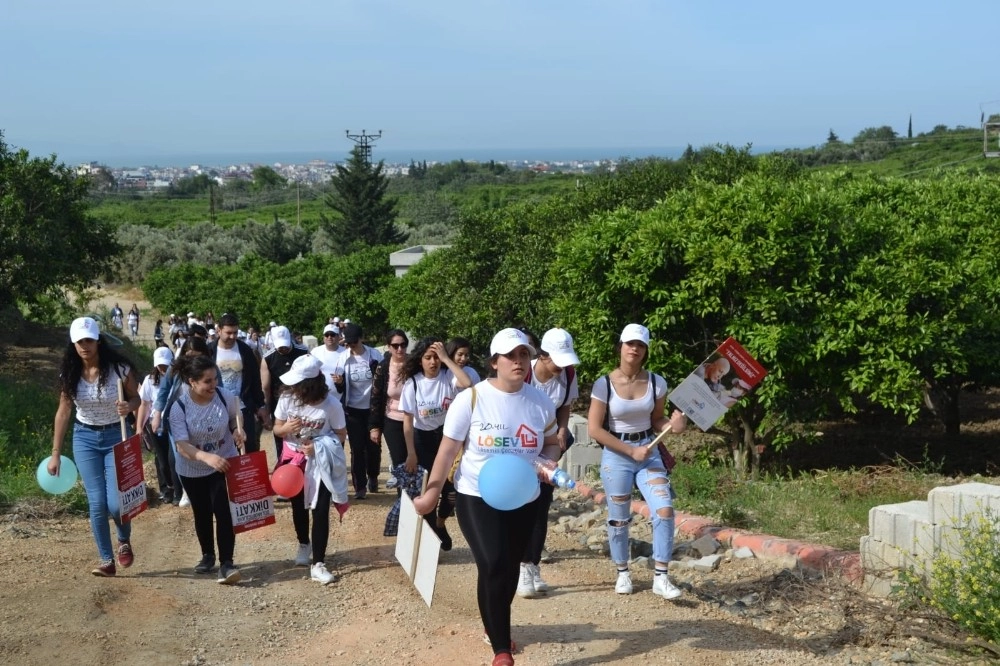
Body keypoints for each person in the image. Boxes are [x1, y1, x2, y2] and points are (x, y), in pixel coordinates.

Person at [414, 328, 558, 666]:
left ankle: (495, 625)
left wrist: (550, 462)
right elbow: (447, 451)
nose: (519, 361)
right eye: (511, 356)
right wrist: (433, 492)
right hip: (477, 494)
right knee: (493, 562)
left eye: (524, 355)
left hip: (525, 497)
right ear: (495, 362)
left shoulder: (540, 402)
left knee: (508, 568)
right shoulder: (472, 399)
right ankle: (501, 649)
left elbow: (551, 442)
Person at [587, 323, 687, 600]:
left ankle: (661, 578)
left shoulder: (657, 382)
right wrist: (630, 452)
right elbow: (594, 429)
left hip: (649, 452)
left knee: (664, 510)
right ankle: (622, 572)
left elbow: (657, 420)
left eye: (640, 345)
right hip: (617, 455)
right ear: (620, 346)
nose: (634, 349)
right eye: (630, 343)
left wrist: (675, 425)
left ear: (646, 351)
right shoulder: (603, 384)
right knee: (619, 519)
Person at [49, 316, 141, 577]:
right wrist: (55, 453)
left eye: (89, 340)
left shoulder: (119, 369)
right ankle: (106, 560)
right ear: (73, 344)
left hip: (115, 436)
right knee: (96, 502)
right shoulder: (69, 373)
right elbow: (64, 411)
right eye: (79, 341)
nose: (84, 346)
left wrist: (129, 407)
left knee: (115, 503)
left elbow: (137, 397)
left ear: (98, 340)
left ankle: (123, 539)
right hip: (84, 438)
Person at [168, 354, 246, 584]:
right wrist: (206, 457)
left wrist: (238, 431)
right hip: (192, 469)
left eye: (215, 379)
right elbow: (181, 445)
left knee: (223, 511)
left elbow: (236, 416)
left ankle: (227, 563)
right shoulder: (179, 407)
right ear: (192, 382)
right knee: (202, 512)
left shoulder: (225, 396)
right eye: (207, 381)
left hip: (224, 462)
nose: (214, 385)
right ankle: (207, 555)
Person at [271, 355, 349, 585]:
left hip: (320, 462)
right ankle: (304, 543)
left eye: (297, 384)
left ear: (310, 385)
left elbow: (341, 434)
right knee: (298, 506)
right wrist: (285, 427)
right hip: (294, 461)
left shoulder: (331, 404)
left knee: (321, 509)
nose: (293, 388)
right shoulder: (287, 398)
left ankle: (319, 563)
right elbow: (276, 428)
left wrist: (319, 446)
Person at [517, 327, 580, 598]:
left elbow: (564, 405)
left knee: (542, 503)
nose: (561, 367)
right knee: (522, 505)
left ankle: (532, 565)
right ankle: (519, 566)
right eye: (557, 360)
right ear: (542, 356)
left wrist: (563, 429)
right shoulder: (523, 373)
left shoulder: (567, 374)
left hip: (550, 445)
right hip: (519, 446)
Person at [399, 337, 471, 550]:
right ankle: (430, 540)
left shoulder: (448, 377)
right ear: (420, 360)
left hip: (446, 438)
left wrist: (447, 359)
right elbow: (408, 422)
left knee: (451, 491)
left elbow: (467, 383)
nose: (433, 362)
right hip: (422, 440)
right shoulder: (413, 384)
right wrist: (411, 453)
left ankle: (441, 523)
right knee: (428, 490)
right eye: (428, 358)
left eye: (435, 358)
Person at [150, 336, 214, 507]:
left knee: (202, 451)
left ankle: (206, 487)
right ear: (184, 353)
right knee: (180, 455)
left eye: (198, 356)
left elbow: (219, 390)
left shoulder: (211, 369)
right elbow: (163, 392)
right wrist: (157, 415)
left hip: (203, 416)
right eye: (190, 355)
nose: (194, 360)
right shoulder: (175, 370)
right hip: (177, 416)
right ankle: (187, 490)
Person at [331, 323, 383, 499]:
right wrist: (339, 383)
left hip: (372, 408)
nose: (351, 346)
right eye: (348, 343)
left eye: (354, 342)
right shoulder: (343, 358)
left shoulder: (374, 355)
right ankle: (360, 486)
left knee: (373, 447)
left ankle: (373, 475)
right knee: (357, 449)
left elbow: (382, 381)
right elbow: (340, 389)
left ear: (362, 339)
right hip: (352, 410)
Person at [209, 313, 268, 455]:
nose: (232, 336)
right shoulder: (210, 351)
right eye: (228, 333)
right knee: (222, 447)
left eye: (235, 332)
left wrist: (260, 404)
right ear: (219, 331)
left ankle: (248, 476)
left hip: (242, 406)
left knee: (248, 446)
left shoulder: (245, 350)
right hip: (217, 407)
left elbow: (255, 379)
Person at [368, 329, 409, 492]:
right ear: (388, 347)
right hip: (392, 419)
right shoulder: (383, 367)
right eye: (395, 345)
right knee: (400, 461)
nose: (400, 349)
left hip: (415, 420)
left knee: (416, 461)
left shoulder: (415, 364)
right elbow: (375, 398)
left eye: (403, 345)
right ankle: (403, 499)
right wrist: (374, 426)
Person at [260, 325, 308, 462]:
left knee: (305, 436)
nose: (283, 349)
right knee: (281, 438)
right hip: (279, 404)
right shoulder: (268, 358)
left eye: (286, 345)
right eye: (280, 346)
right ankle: (284, 466)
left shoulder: (303, 352)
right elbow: (265, 387)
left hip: (303, 401)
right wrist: (267, 412)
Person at [137, 346, 177, 503]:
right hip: (155, 425)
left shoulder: (178, 378)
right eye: (160, 366)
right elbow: (144, 404)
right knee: (162, 461)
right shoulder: (149, 380)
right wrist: (140, 426)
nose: (163, 369)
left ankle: (177, 489)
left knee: (173, 459)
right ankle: (166, 489)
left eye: (166, 365)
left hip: (175, 423)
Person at [310, 324, 342, 394]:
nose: (329, 337)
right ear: (323, 337)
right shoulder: (315, 352)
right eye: (327, 335)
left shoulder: (346, 352)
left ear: (338, 336)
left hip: (340, 397)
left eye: (332, 335)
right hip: (319, 396)